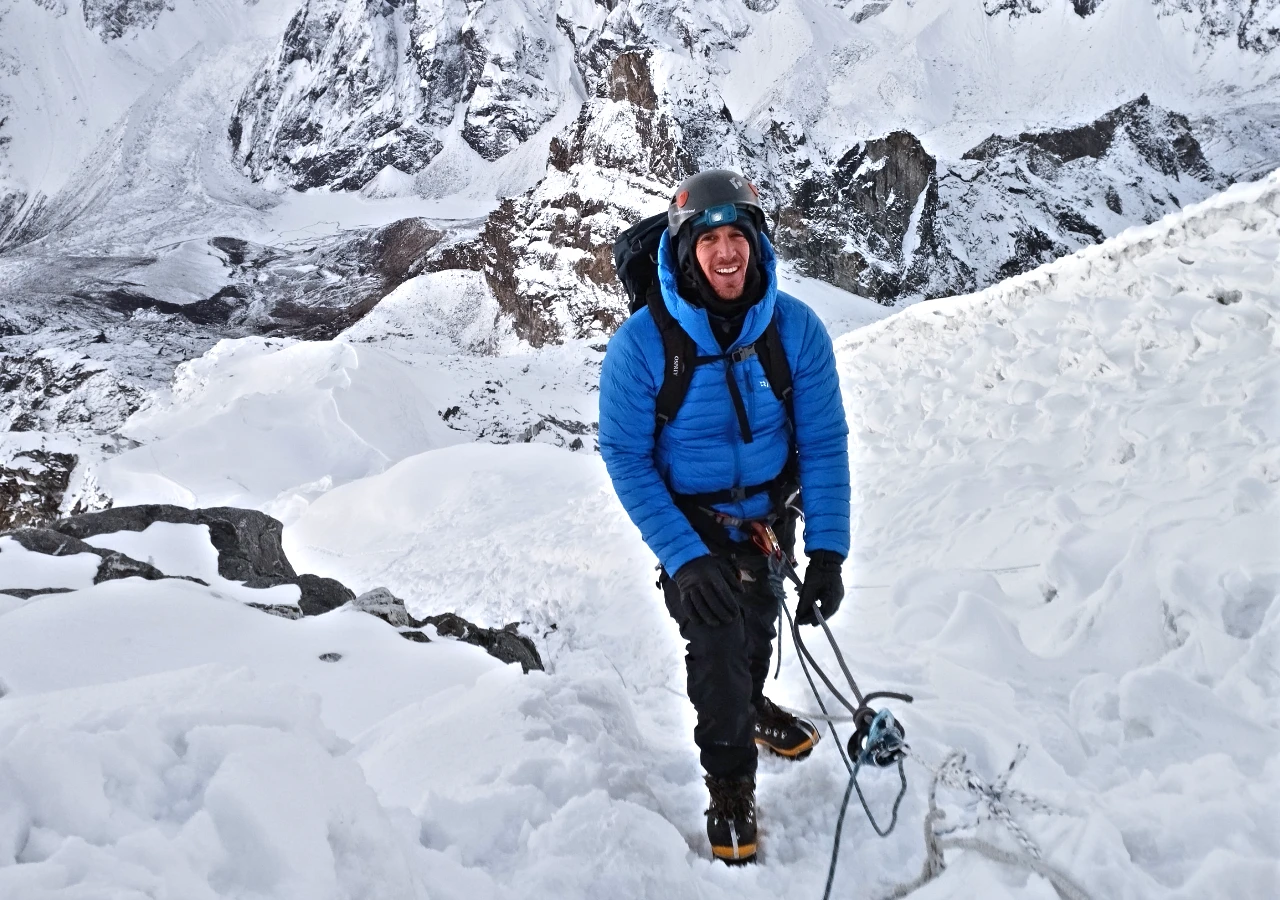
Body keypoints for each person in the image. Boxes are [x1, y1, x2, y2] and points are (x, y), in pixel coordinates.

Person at [598, 169, 851, 864]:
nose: (726, 252)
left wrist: (828, 551)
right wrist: (684, 556)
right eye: (709, 240)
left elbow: (823, 442)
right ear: (686, 253)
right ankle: (731, 783)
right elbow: (625, 456)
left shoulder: (795, 331)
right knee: (716, 648)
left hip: (769, 518)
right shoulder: (643, 346)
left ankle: (752, 706)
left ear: (757, 244)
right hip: (694, 526)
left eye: (737, 235)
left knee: (757, 628)